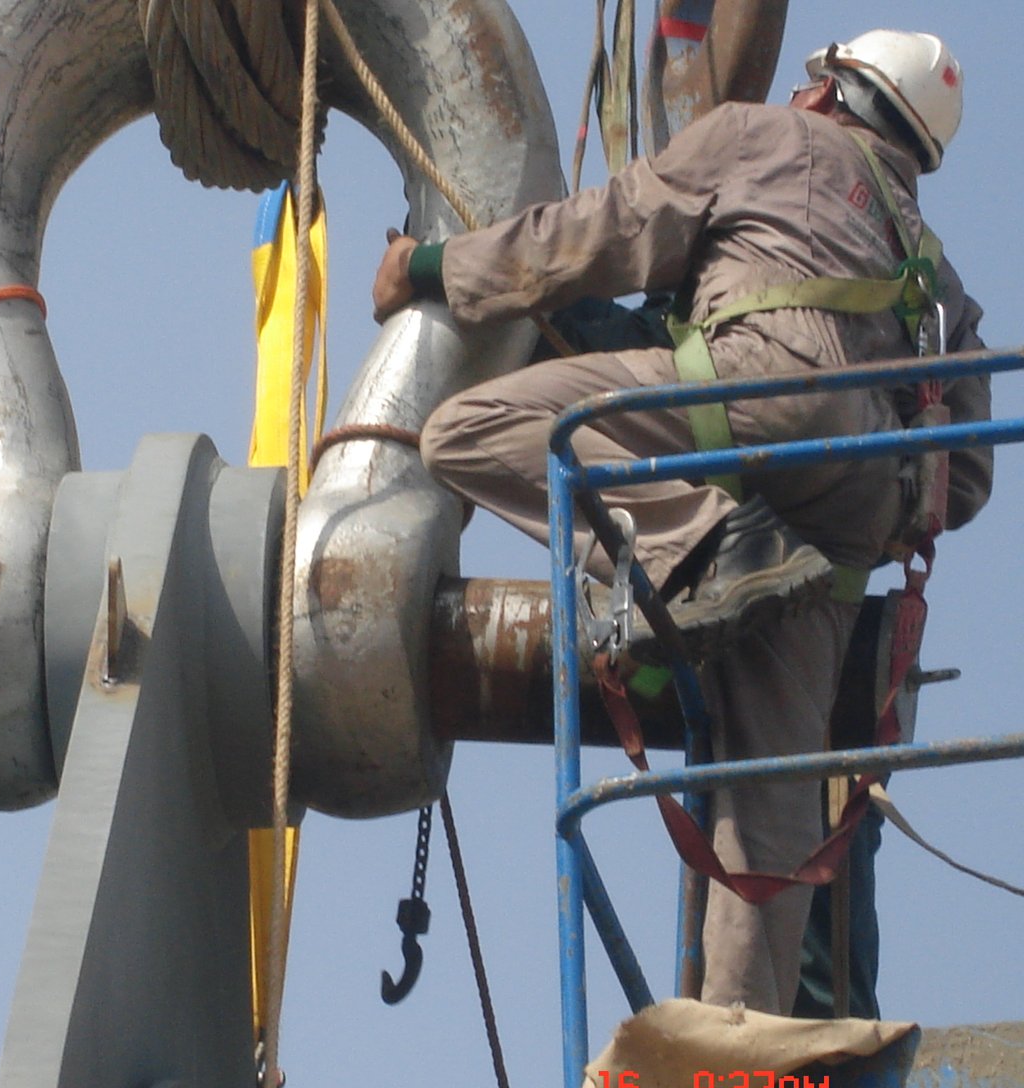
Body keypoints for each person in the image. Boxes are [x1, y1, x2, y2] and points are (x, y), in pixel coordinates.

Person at [372, 30, 992, 1015]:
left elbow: (598, 234)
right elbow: (965, 478)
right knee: (770, 797)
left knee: (469, 431)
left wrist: (433, 268)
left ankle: (700, 544)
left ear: (831, 93)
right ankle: (739, 1044)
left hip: (750, 407)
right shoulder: (940, 286)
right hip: (844, 534)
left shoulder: (765, 139)